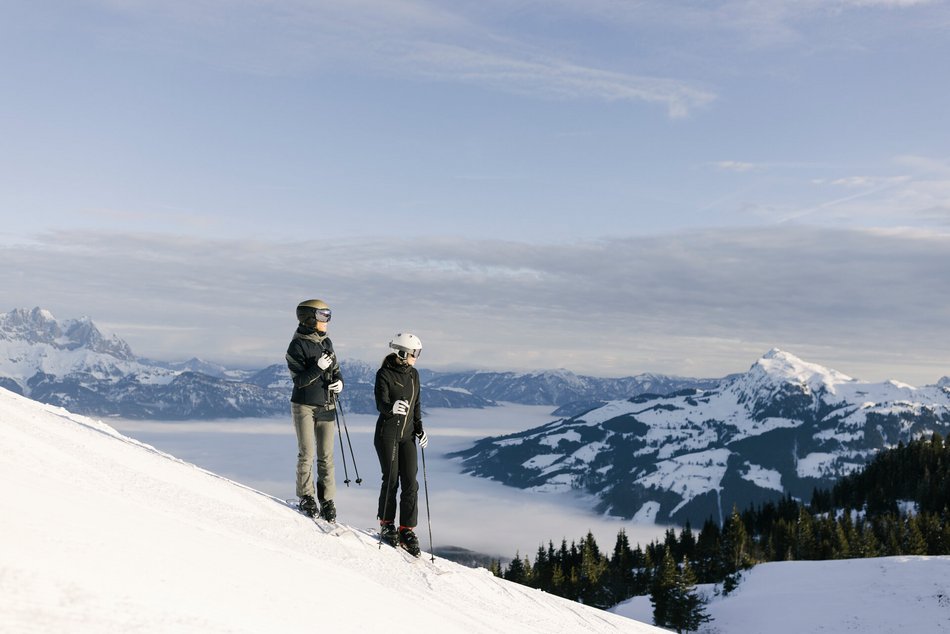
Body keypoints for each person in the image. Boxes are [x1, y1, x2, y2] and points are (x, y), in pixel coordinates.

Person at [286, 299, 343, 522]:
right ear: (309, 318)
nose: (327, 320)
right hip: (304, 405)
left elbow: (336, 370)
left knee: (326, 456)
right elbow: (299, 381)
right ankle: (307, 497)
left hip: (327, 405)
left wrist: (340, 383)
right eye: (322, 315)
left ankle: (327, 500)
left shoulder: (327, 342)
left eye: (328, 315)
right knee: (307, 453)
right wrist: (317, 368)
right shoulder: (296, 346)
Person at [374, 332, 428, 557]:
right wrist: (391, 408)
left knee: (410, 482)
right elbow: (380, 402)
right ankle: (387, 524)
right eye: (415, 352)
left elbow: (416, 405)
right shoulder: (384, 374)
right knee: (391, 478)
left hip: (407, 436)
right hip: (388, 434)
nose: (417, 356)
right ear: (403, 352)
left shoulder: (414, 375)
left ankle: (406, 529)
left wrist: (420, 429)